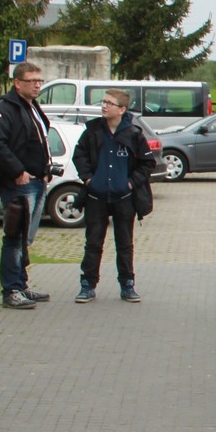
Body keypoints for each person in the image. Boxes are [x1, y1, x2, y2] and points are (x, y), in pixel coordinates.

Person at [73, 88, 155, 302]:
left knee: (124, 243)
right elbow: (79, 155)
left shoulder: (134, 134)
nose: (104, 106)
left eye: (109, 103)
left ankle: (127, 284)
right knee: (93, 243)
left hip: (123, 198)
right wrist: (88, 179)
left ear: (122, 109)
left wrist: (130, 183)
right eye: (103, 102)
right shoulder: (92, 131)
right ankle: (87, 284)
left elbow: (147, 163)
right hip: (96, 197)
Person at [0, 60, 54, 309]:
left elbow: (39, 141)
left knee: (25, 239)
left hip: (37, 181)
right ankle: (11, 290)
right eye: (32, 81)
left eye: (40, 81)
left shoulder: (32, 107)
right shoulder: (2, 110)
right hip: (18, 184)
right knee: (14, 237)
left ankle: (22, 285)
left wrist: (45, 170)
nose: (37, 85)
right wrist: (17, 171)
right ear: (17, 83)